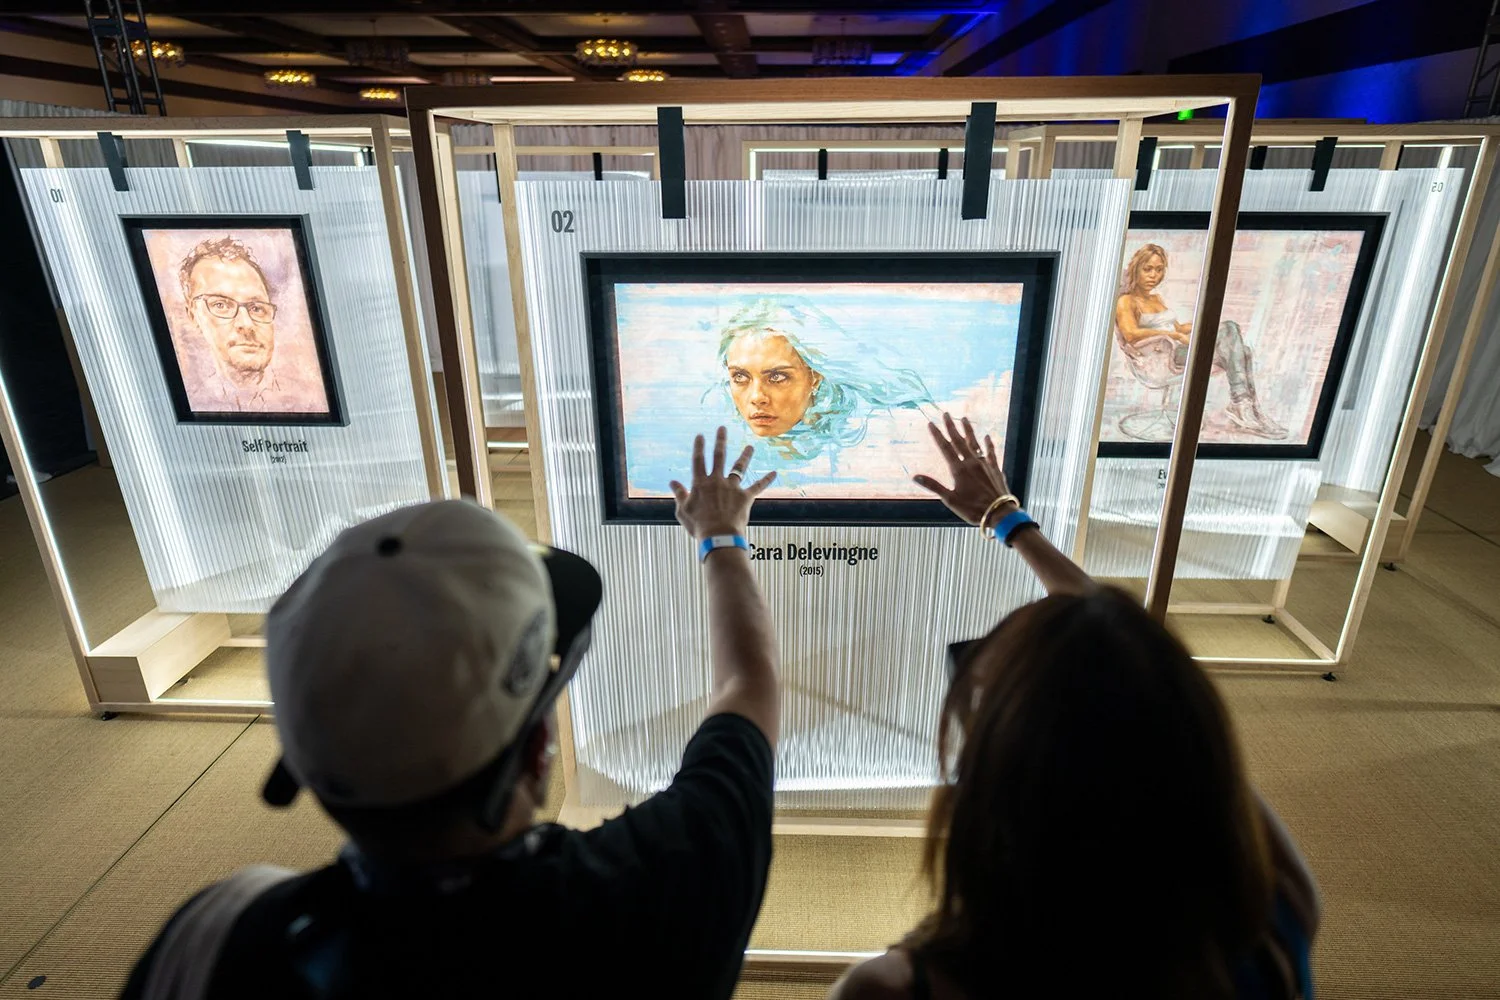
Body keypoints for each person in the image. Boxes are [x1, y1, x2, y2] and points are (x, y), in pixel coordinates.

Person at [120, 427, 781, 1000]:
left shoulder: (217, 939)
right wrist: (719, 537)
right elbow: (748, 685)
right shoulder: (674, 880)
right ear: (538, 749)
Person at [831, 413, 1319, 1000]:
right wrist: (1008, 521)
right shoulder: (1278, 916)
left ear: (996, 785)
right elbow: (1142, 679)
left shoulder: (894, 990)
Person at [713, 297, 933, 463]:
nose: (757, 397)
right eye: (740, 377)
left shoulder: (877, 440)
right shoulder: (731, 451)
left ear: (815, 376)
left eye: (777, 377)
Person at [1115, 243, 1288, 440]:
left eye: (1159, 269)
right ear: (1136, 269)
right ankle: (1242, 406)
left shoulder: (1156, 299)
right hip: (1159, 359)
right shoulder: (1126, 301)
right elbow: (1130, 333)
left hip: (1178, 348)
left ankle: (1249, 408)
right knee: (1232, 343)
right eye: (1147, 269)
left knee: (1237, 342)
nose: (1153, 275)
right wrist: (1175, 336)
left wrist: (1202, 325)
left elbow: (1176, 326)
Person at [176, 235, 326, 414]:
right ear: (193, 315)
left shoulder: (308, 400)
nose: (246, 324)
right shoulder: (194, 402)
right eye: (221, 305)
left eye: (256, 308)